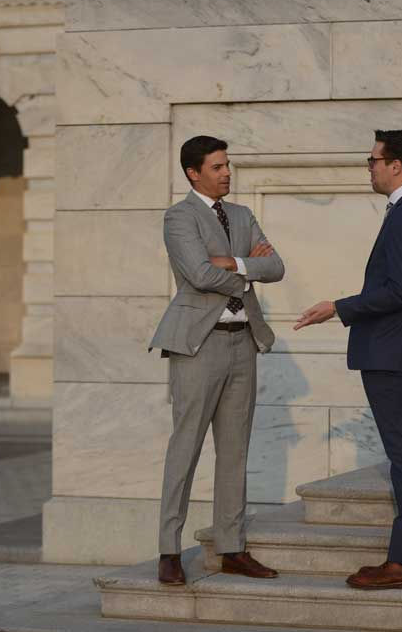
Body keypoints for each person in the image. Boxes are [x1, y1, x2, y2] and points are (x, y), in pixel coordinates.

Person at [294, 129, 402, 590]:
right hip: (395, 351)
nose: (370, 167)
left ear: (395, 164)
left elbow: (398, 291)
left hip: (392, 353)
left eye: (373, 159)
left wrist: (338, 307)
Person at [150, 135, 285, 585]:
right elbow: (197, 273)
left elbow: (277, 266)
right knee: (185, 447)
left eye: (228, 165)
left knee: (235, 451)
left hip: (243, 343)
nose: (227, 173)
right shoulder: (179, 217)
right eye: (218, 167)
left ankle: (232, 547)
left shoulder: (243, 215)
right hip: (197, 345)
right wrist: (247, 269)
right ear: (194, 173)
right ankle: (169, 550)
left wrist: (234, 263)